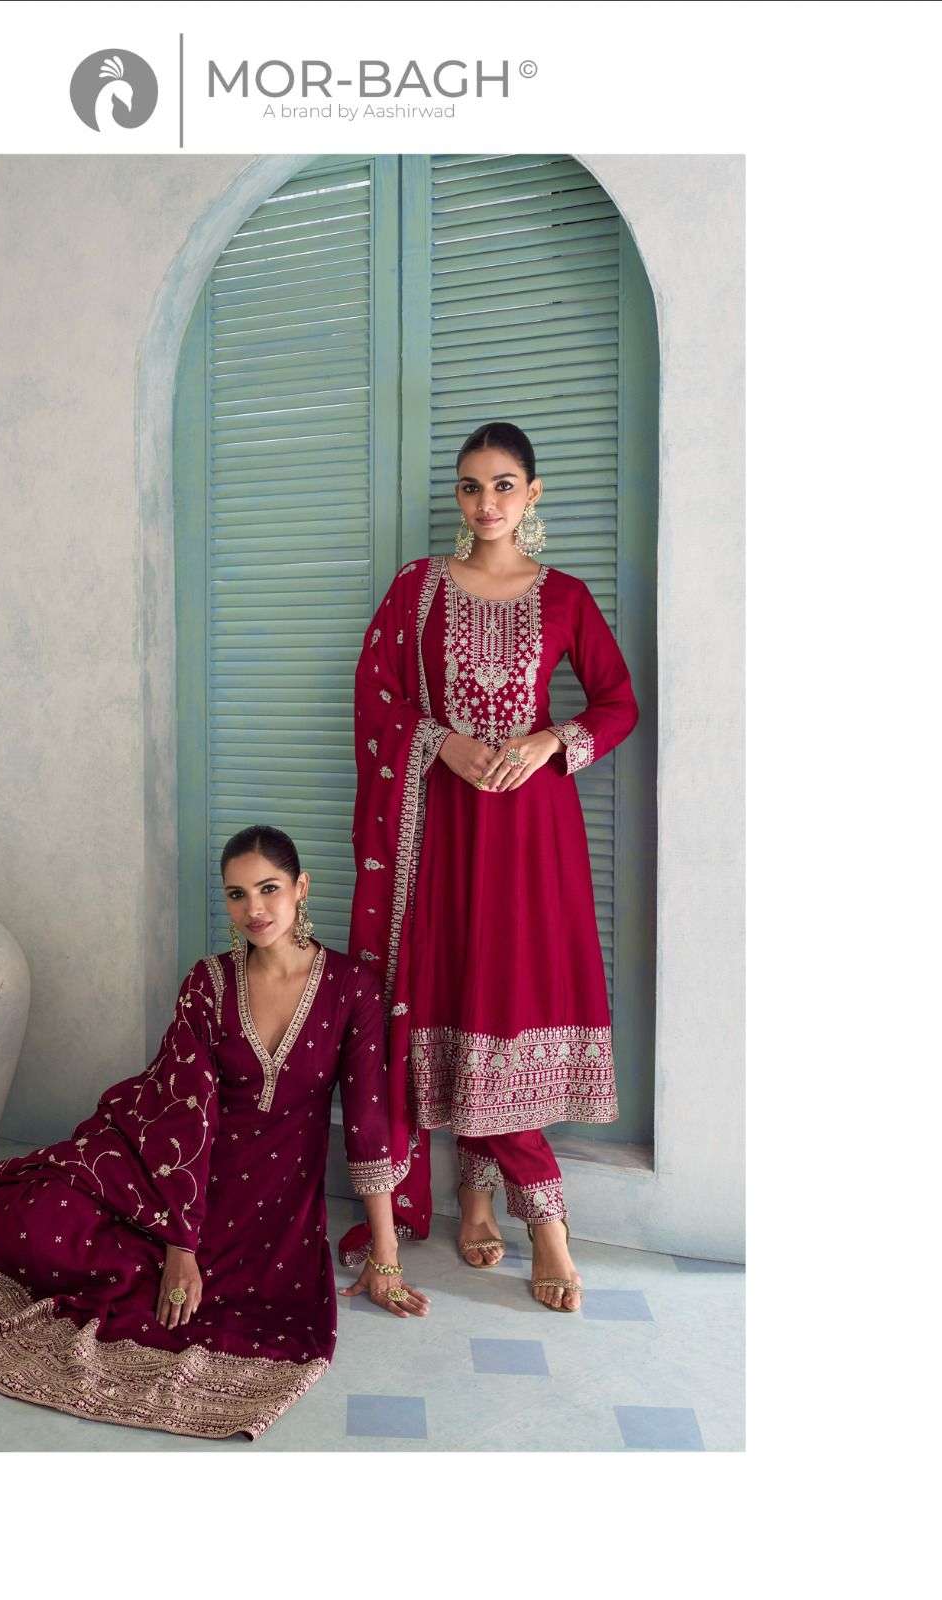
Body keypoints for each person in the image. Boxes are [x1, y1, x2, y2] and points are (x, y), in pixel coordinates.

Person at [0, 824, 428, 1441]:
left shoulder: (350, 988)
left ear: (301, 888)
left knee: (170, 1297)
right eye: (237, 894)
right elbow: (183, 1115)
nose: (253, 909)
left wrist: (385, 1258)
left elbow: (368, 1124)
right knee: (42, 1221)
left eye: (268, 889)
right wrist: (179, 1246)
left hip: (273, 1207)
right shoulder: (209, 984)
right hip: (166, 1175)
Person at [338, 421, 639, 1311]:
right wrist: (441, 742)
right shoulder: (417, 590)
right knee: (461, 988)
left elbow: (618, 702)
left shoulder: (564, 597)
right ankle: (503, 1206)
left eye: (503, 484)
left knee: (509, 995)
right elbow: (375, 694)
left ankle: (520, 1207)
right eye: (470, 486)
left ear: (531, 493)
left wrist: (550, 740)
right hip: (441, 826)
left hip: (534, 832)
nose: (485, 502)